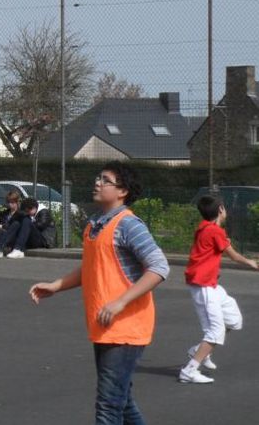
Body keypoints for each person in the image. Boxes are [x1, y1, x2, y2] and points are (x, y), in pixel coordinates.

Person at [29, 161, 169, 425]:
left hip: (126, 329)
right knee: (122, 404)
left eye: (105, 180)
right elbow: (92, 268)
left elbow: (159, 267)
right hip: (105, 326)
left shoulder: (129, 225)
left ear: (122, 191)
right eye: (98, 178)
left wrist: (120, 302)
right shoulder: (95, 224)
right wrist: (57, 285)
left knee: (108, 407)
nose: (97, 183)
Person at [178, 195, 258, 383]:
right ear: (221, 210)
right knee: (215, 331)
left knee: (234, 320)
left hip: (212, 286)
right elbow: (234, 256)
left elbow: (223, 244)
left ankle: (199, 350)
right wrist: (251, 263)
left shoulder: (207, 228)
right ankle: (189, 371)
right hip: (203, 286)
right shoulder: (213, 231)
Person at [0, 190, 21, 258]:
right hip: (2, 233)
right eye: (9, 202)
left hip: (12, 236)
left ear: (17, 202)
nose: (10, 204)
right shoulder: (5, 213)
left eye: (12, 202)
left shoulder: (20, 214)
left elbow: (16, 227)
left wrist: (2, 226)